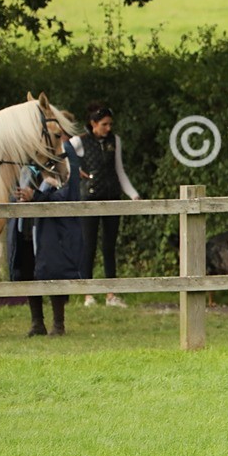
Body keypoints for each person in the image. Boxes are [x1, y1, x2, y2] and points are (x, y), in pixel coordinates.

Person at [8, 137, 85, 336]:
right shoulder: (26, 164)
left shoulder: (64, 159)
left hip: (51, 231)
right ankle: (37, 323)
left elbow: (67, 195)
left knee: (53, 272)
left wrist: (36, 196)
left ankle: (58, 324)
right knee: (27, 273)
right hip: (25, 227)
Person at [72, 104, 140, 308]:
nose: (108, 128)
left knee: (109, 246)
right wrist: (74, 171)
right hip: (89, 199)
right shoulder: (80, 141)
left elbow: (119, 169)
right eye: (104, 124)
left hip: (112, 197)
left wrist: (133, 194)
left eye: (110, 124)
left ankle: (111, 293)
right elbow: (62, 159)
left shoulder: (114, 141)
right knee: (88, 246)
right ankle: (88, 293)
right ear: (93, 124)